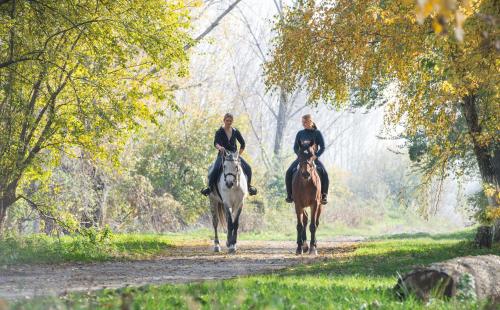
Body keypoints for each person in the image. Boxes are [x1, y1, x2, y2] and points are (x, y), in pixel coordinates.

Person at [201, 113, 257, 196]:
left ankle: (249, 187)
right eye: (227, 121)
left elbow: (243, 144)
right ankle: (209, 188)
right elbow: (216, 143)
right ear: (224, 120)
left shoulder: (235, 131)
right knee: (216, 168)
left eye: (230, 121)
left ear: (232, 121)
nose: (229, 122)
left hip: (234, 155)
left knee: (248, 168)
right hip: (223, 155)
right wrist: (220, 148)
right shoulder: (219, 131)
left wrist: (238, 154)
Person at [285, 114, 329, 204]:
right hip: (301, 159)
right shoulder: (300, 133)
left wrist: (315, 156)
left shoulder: (317, 133)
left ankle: (324, 195)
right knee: (289, 172)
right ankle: (290, 195)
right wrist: (300, 156)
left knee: (325, 173)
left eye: (305, 122)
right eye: (302, 122)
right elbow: (295, 148)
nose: (303, 124)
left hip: (313, 159)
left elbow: (323, 147)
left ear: (310, 122)